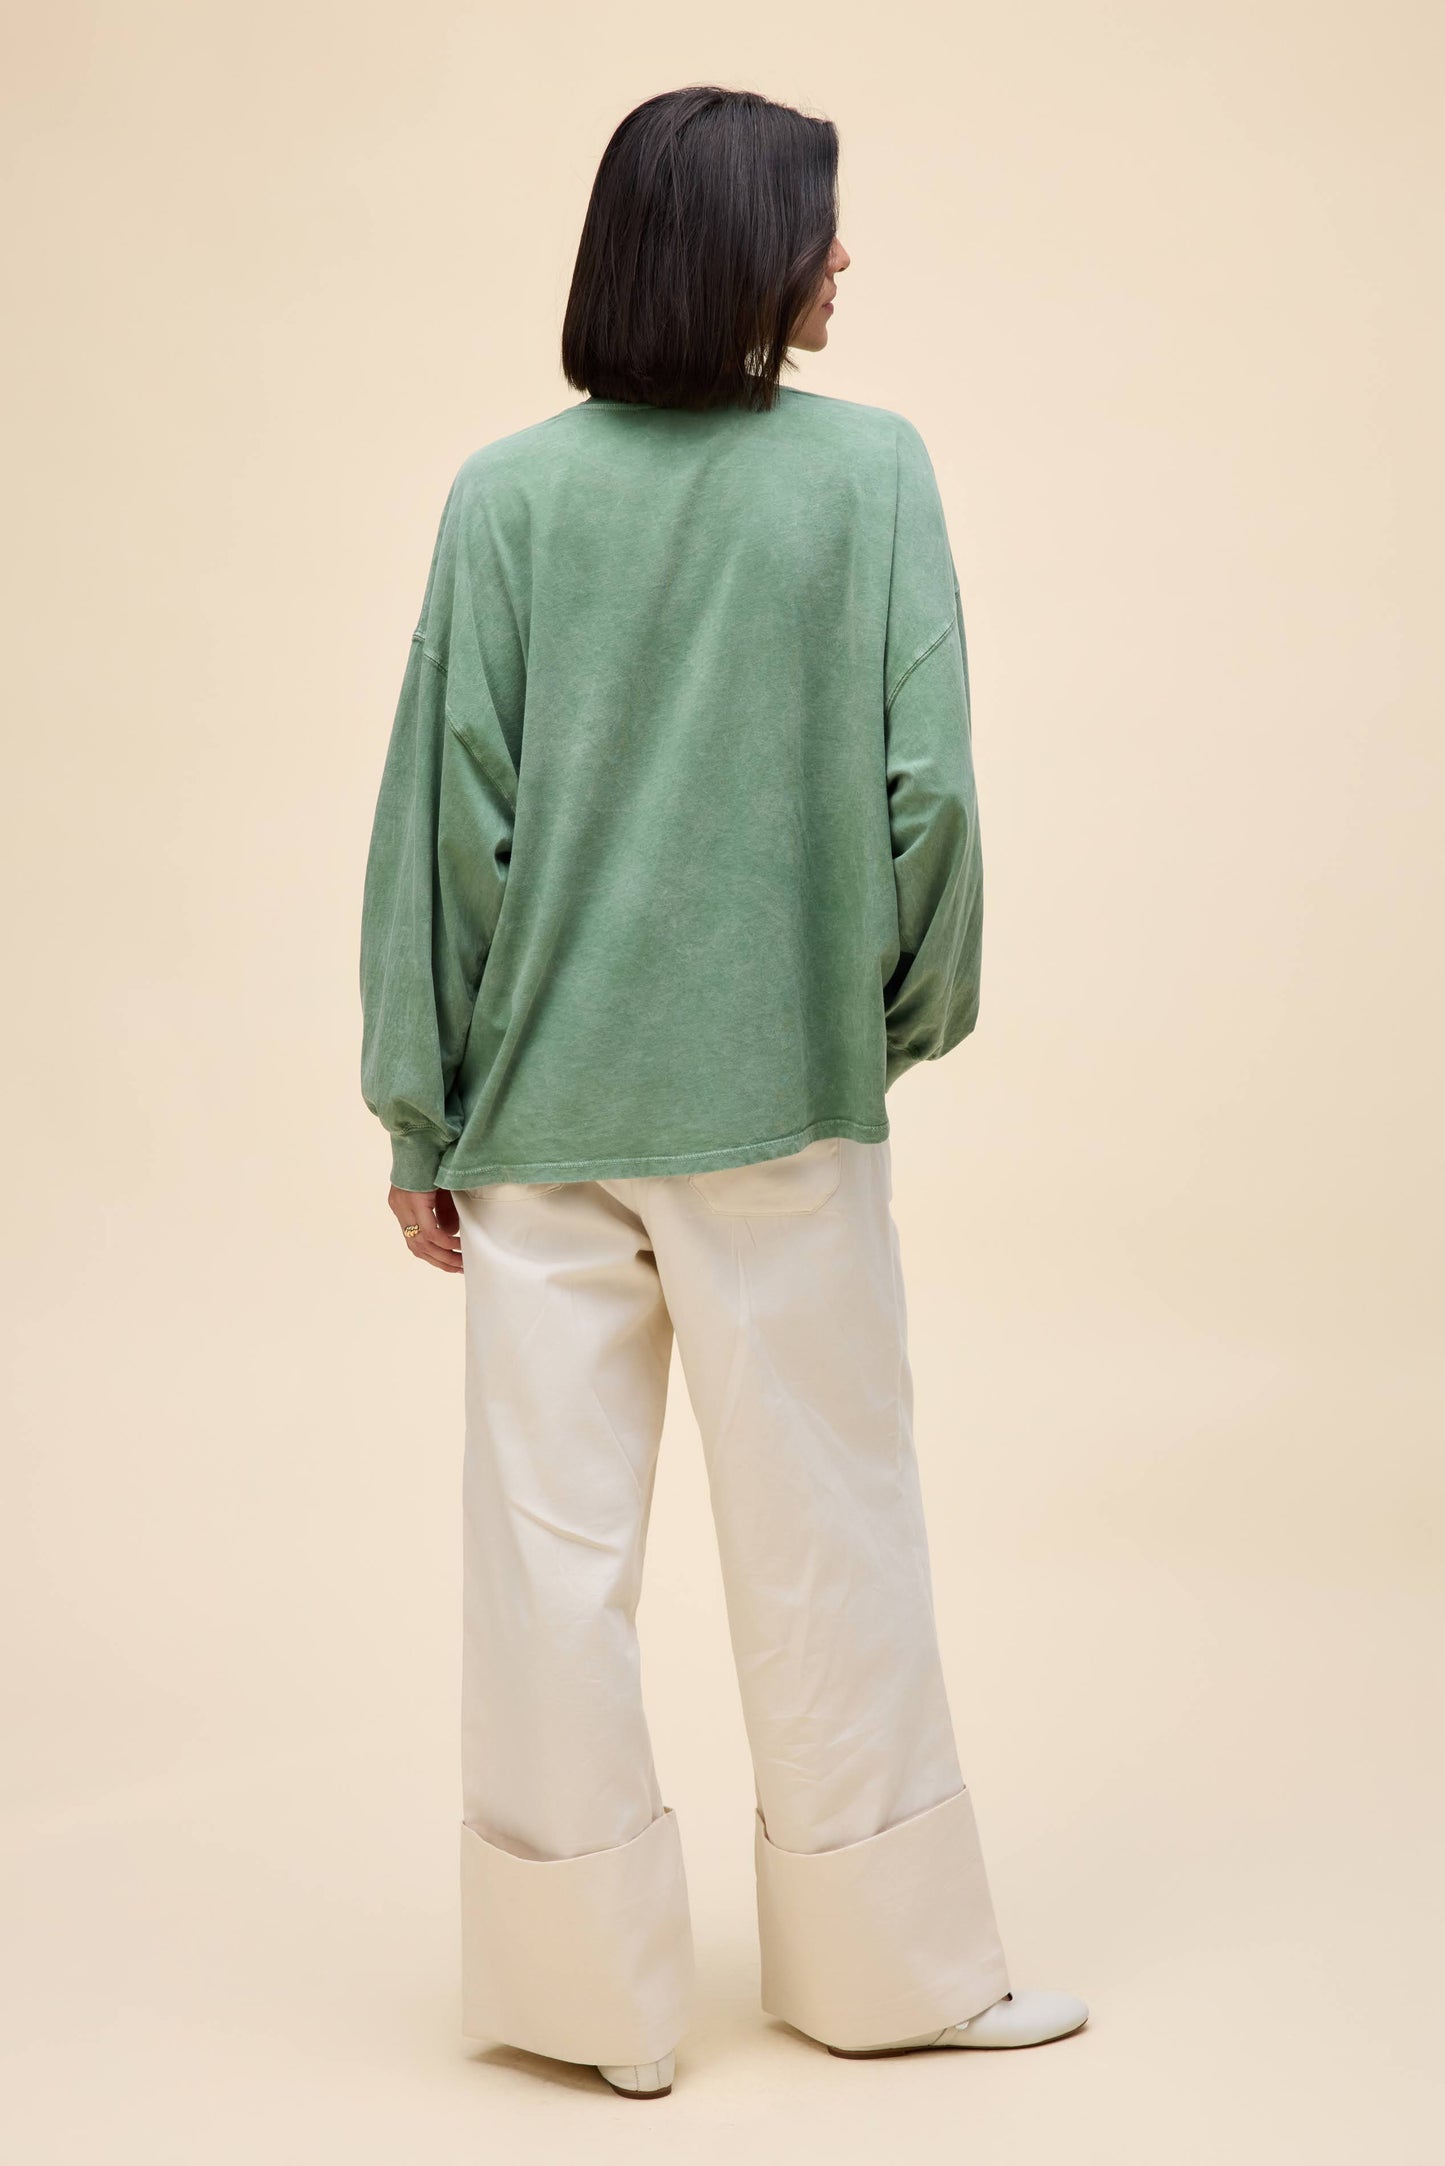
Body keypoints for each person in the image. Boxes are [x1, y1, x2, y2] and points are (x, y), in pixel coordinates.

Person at [358, 84, 1086, 2101]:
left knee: (548, 1570)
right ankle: (888, 1976)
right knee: (828, 1545)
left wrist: (419, 1109)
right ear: (742, 248)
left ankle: (584, 2008)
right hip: (783, 1107)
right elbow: (931, 795)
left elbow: (445, 823)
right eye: (817, 223)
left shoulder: (505, 498)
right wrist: (878, 1024)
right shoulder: (870, 475)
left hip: (538, 1127)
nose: (842, 256)